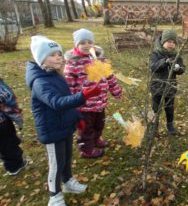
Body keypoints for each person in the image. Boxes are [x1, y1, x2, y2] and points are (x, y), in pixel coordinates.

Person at [25, 36, 101, 206]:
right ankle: (54, 196)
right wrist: (84, 95)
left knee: (66, 158)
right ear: (41, 59)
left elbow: (66, 100)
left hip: (64, 125)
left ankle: (68, 183)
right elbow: (57, 103)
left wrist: (78, 118)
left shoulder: (56, 76)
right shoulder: (40, 82)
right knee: (56, 163)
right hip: (52, 129)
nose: (59, 57)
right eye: (52, 55)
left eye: (59, 53)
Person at [64, 28, 122, 158]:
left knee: (99, 124)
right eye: (82, 42)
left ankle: (96, 140)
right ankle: (86, 149)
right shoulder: (73, 63)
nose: (86, 45)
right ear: (76, 44)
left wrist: (116, 90)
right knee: (86, 129)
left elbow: (109, 76)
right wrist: (72, 102)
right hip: (84, 105)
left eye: (89, 42)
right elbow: (69, 84)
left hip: (100, 102)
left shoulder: (99, 59)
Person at [149, 30, 185, 135]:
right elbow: (153, 67)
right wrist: (164, 62)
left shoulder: (176, 55)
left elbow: (182, 69)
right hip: (157, 86)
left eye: (173, 42)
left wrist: (178, 68)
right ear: (163, 42)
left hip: (170, 87)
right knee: (155, 108)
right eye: (169, 41)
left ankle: (170, 125)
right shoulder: (156, 53)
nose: (171, 44)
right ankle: (153, 126)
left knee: (169, 107)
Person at [0, 78, 28, 176]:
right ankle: (15, 166)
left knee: (4, 145)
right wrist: (18, 116)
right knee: (9, 144)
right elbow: (8, 98)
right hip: (2, 123)